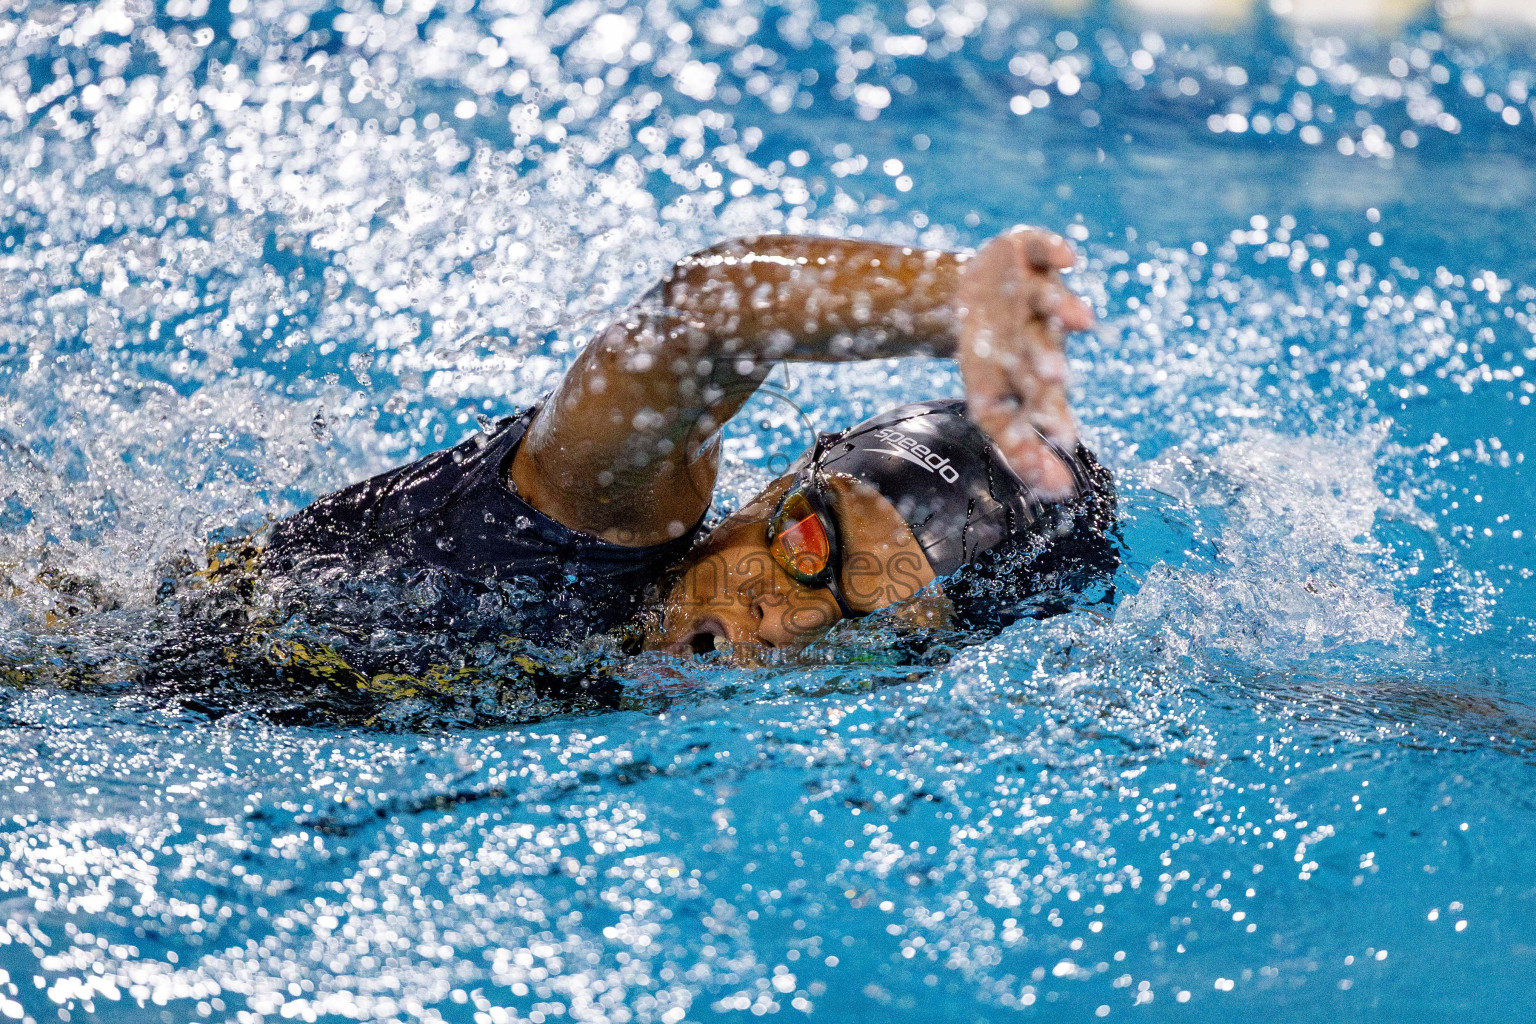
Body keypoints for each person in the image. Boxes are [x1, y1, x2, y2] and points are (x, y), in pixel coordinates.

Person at [252, 226, 1116, 663]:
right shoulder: (586, 528)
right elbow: (703, 315)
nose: (783, 623)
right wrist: (951, 298)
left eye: (872, 628)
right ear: (770, 493)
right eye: (810, 548)